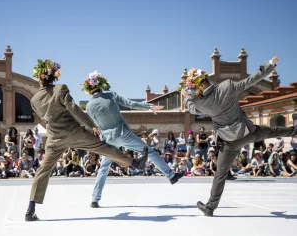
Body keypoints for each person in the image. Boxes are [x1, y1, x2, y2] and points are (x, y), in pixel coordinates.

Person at [25, 59, 148, 221]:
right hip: (75, 132)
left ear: (39, 78)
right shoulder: (60, 89)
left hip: (55, 138)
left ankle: (30, 210)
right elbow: (74, 109)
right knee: (103, 148)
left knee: (43, 171)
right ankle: (134, 163)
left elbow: (43, 119)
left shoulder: (34, 101)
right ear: (53, 77)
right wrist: (92, 126)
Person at [183, 56, 297, 216]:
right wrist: (269, 66)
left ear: (196, 87)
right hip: (247, 132)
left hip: (229, 142)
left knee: (220, 174)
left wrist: (187, 94)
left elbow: (190, 106)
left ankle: (210, 207)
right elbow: (250, 80)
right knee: (273, 131)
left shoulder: (200, 104)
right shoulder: (227, 86)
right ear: (206, 78)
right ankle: (294, 130)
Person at [82, 71, 184, 208]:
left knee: (104, 168)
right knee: (150, 152)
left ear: (88, 90)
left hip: (108, 139)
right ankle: (171, 176)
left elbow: (97, 126)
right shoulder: (110, 95)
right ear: (101, 85)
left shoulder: (89, 106)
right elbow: (129, 103)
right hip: (123, 134)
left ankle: (95, 199)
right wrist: (149, 106)